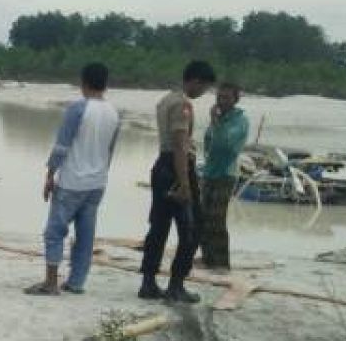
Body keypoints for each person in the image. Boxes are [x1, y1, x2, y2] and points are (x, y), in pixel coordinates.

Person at [25, 62, 120, 296]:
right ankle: (76, 282)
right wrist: (101, 174)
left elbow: (62, 146)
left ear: (83, 82)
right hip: (97, 183)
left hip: (72, 182)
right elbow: (110, 151)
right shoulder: (114, 113)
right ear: (106, 84)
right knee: (86, 235)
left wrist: (49, 175)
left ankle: (50, 283)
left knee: (55, 232)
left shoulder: (78, 109)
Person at [138, 60, 217, 303]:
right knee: (192, 229)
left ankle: (149, 282)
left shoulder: (166, 99)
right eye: (204, 88)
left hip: (161, 166)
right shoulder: (183, 104)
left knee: (159, 227)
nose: (203, 93)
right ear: (195, 81)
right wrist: (184, 183)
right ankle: (176, 285)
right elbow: (181, 144)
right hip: (176, 167)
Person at [200, 82, 250, 270]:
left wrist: (214, 122)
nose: (221, 101)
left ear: (235, 100)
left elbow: (226, 143)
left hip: (225, 174)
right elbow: (208, 143)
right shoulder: (220, 120)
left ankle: (221, 263)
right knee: (203, 217)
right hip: (209, 172)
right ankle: (207, 259)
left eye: (226, 97)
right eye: (219, 97)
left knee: (217, 219)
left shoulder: (240, 121)